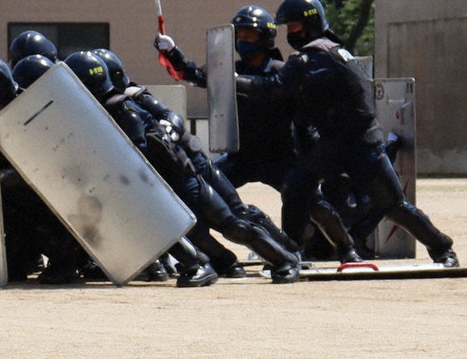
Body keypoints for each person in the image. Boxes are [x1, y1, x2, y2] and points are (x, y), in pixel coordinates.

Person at [234, 0, 459, 267]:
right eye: (288, 28)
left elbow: (272, 88)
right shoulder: (333, 50)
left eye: (294, 27)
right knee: (296, 187)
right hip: (335, 143)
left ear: (312, 23)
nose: (290, 33)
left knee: (392, 205)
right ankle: (291, 255)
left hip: (362, 144)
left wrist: (232, 80)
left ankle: (443, 250)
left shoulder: (313, 58)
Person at [65, 51, 298, 284]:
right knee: (191, 232)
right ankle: (219, 263)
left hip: (183, 175)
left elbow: (139, 154)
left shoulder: (123, 108)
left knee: (233, 224)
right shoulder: (104, 111)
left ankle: (285, 258)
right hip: (168, 181)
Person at [155, 6, 362, 263]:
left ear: (265, 39)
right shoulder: (228, 71)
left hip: (281, 156)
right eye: (239, 37)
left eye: (249, 37)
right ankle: (220, 255)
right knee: (203, 194)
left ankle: (346, 248)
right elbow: (194, 75)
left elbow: (305, 112)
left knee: (312, 202)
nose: (243, 42)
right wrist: (172, 52)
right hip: (242, 156)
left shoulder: (281, 70)